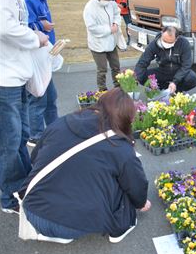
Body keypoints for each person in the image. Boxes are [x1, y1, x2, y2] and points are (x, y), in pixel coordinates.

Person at [18, 88, 151, 244]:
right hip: (71, 225)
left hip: (32, 211)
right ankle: (117, 227)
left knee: (77, 172)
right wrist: (141, 203)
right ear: (126, 119)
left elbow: (35, 157)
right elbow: (136, 185)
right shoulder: (121, 148)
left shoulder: (62, 122)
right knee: (122, 187)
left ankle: (54, 229)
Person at [0, 0, 49, 214]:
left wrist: (34, 31)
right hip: (3, 77)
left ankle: (24, 185)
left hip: (17, 72)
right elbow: (5, 28)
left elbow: (17, 21)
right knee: (8, 142)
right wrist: (35, 38)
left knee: (19, 136)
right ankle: (10, 197)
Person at [21, 0, 63, 147]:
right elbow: (23, 28)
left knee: (50, 96)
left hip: (44, 52)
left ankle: (55, 129)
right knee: (38, 97)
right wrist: (41, 26)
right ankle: (36, 135)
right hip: (34, 55)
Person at [135, 25, 196, 93]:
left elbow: (186, 65)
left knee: (192, 79)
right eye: (164, 40)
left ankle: (177, 90)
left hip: (178, 70)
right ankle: (164, 88)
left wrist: (175, 82)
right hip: (162, 70)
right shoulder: (155, 43)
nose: (166, 44)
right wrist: (136, 79)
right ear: (162, 33)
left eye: (170, 42)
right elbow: (143, 62)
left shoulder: (184, 43)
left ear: (177, 38)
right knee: (142, 76)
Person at [83, 0, 122, 91]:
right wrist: (109, 30)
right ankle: (102, 90)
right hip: (98, 44)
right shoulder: (90, 8)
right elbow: (92, 27)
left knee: (116, 66)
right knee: (102, 69)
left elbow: (116, 13)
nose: (107, 1)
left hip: (111, 42)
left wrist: (116, 23)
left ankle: (118, 88)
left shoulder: (111, 3)